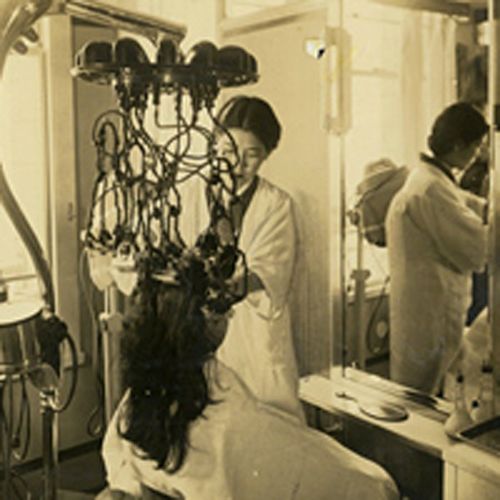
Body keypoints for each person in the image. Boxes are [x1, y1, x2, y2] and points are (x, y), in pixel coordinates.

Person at [97, 261, 399, 500]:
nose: (229, 316)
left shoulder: (142, 395)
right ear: (205, 320)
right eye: (221, 311)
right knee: (373, 483)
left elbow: (119, 461)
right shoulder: (228, 419)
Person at [180, 96, 302, 418]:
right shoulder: (189, 193)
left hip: (252, 334)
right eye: (229, 151)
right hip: (196, 328)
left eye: (252, 155)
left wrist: (231, 286)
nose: (237, 165)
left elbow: (271, 269)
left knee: (266, 420)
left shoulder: (276, 204)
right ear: (214, 145)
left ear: (267, 155)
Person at [386, 102, 489, 394]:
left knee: (442, 388)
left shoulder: (433, 180)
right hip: (427, 318)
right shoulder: (430, 189)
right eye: (476, 146)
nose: (478, 153)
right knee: (417, 398)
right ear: (458, 145)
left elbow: (468, 204)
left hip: (429, 313)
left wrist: (490, 210)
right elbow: (478, 247)